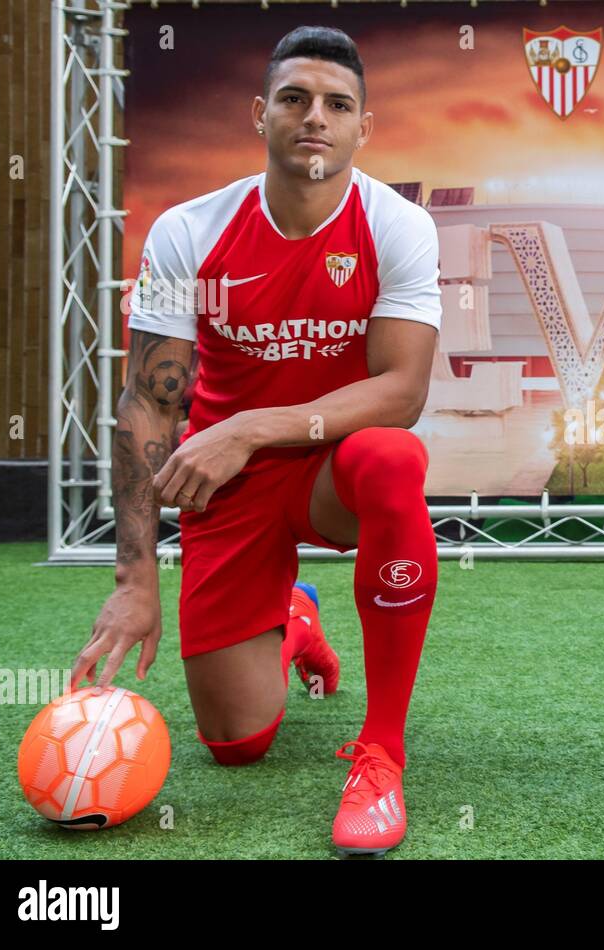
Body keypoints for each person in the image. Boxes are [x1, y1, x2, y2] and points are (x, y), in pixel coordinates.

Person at [70, 26, 441, 857]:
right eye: (295, 98)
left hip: (328, 472)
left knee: (391, 457)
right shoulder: (186, 233)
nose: (316, 117)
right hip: (224, 490)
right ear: (260, 114)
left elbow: (401, 392)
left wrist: (248, 427)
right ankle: (294, 619)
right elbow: (148, 409)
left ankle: (382, 752)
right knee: (236, 743)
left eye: (338, 104)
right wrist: (136, 580)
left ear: (363, 127)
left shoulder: (398, 226)